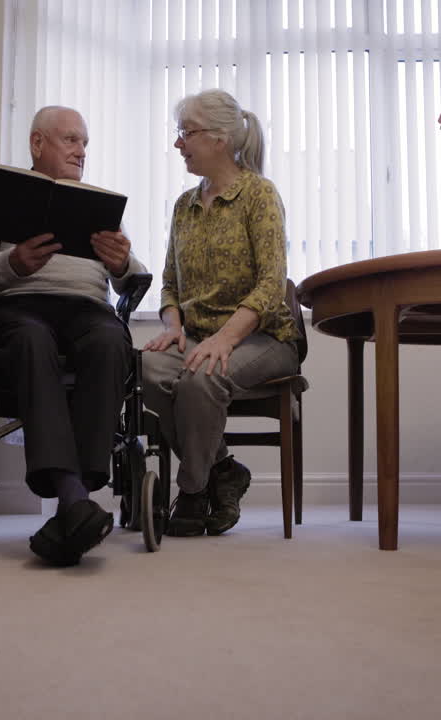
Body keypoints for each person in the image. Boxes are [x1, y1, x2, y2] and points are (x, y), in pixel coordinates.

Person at [0, 106, 148, 565]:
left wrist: (122, 264)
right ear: (37, 144)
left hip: (88, 311)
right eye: (70, 140)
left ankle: (72, 502)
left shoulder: (99, 210)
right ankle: (72, 494)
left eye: (84, 143)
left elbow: (134, 276)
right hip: (21, 308)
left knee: (109, 341)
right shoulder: (4, 200)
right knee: (29, 340)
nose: (81, 151)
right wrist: (11, 264)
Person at [142, 89, 302, 537]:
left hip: (266, 338)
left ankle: (193, 493)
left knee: (202, 376)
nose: (178, 144)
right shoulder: (183, 206)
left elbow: (272, 284)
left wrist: (225, 339)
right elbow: (170, 284)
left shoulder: (259, 195)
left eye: (185, 134)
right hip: (197, 337)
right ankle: (224, 469)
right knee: (146, 368)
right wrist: (174, 328)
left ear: (219, 139)